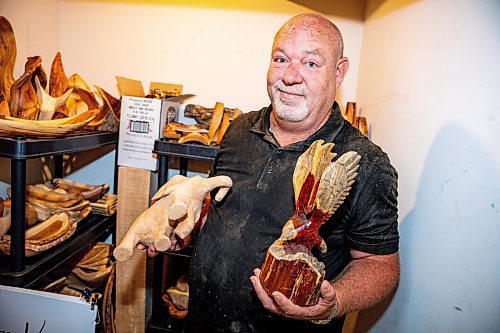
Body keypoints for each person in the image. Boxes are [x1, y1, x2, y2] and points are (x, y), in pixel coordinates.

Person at [147, 12, 400, 333]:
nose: (290, 76)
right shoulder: (238, 130)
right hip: (202, 323)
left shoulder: (366, 161)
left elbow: (380, 265)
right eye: (281, 59)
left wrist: (334, 301)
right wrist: (178, 232)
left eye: (310, 64)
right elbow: (221, 215)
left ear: (339, 72)